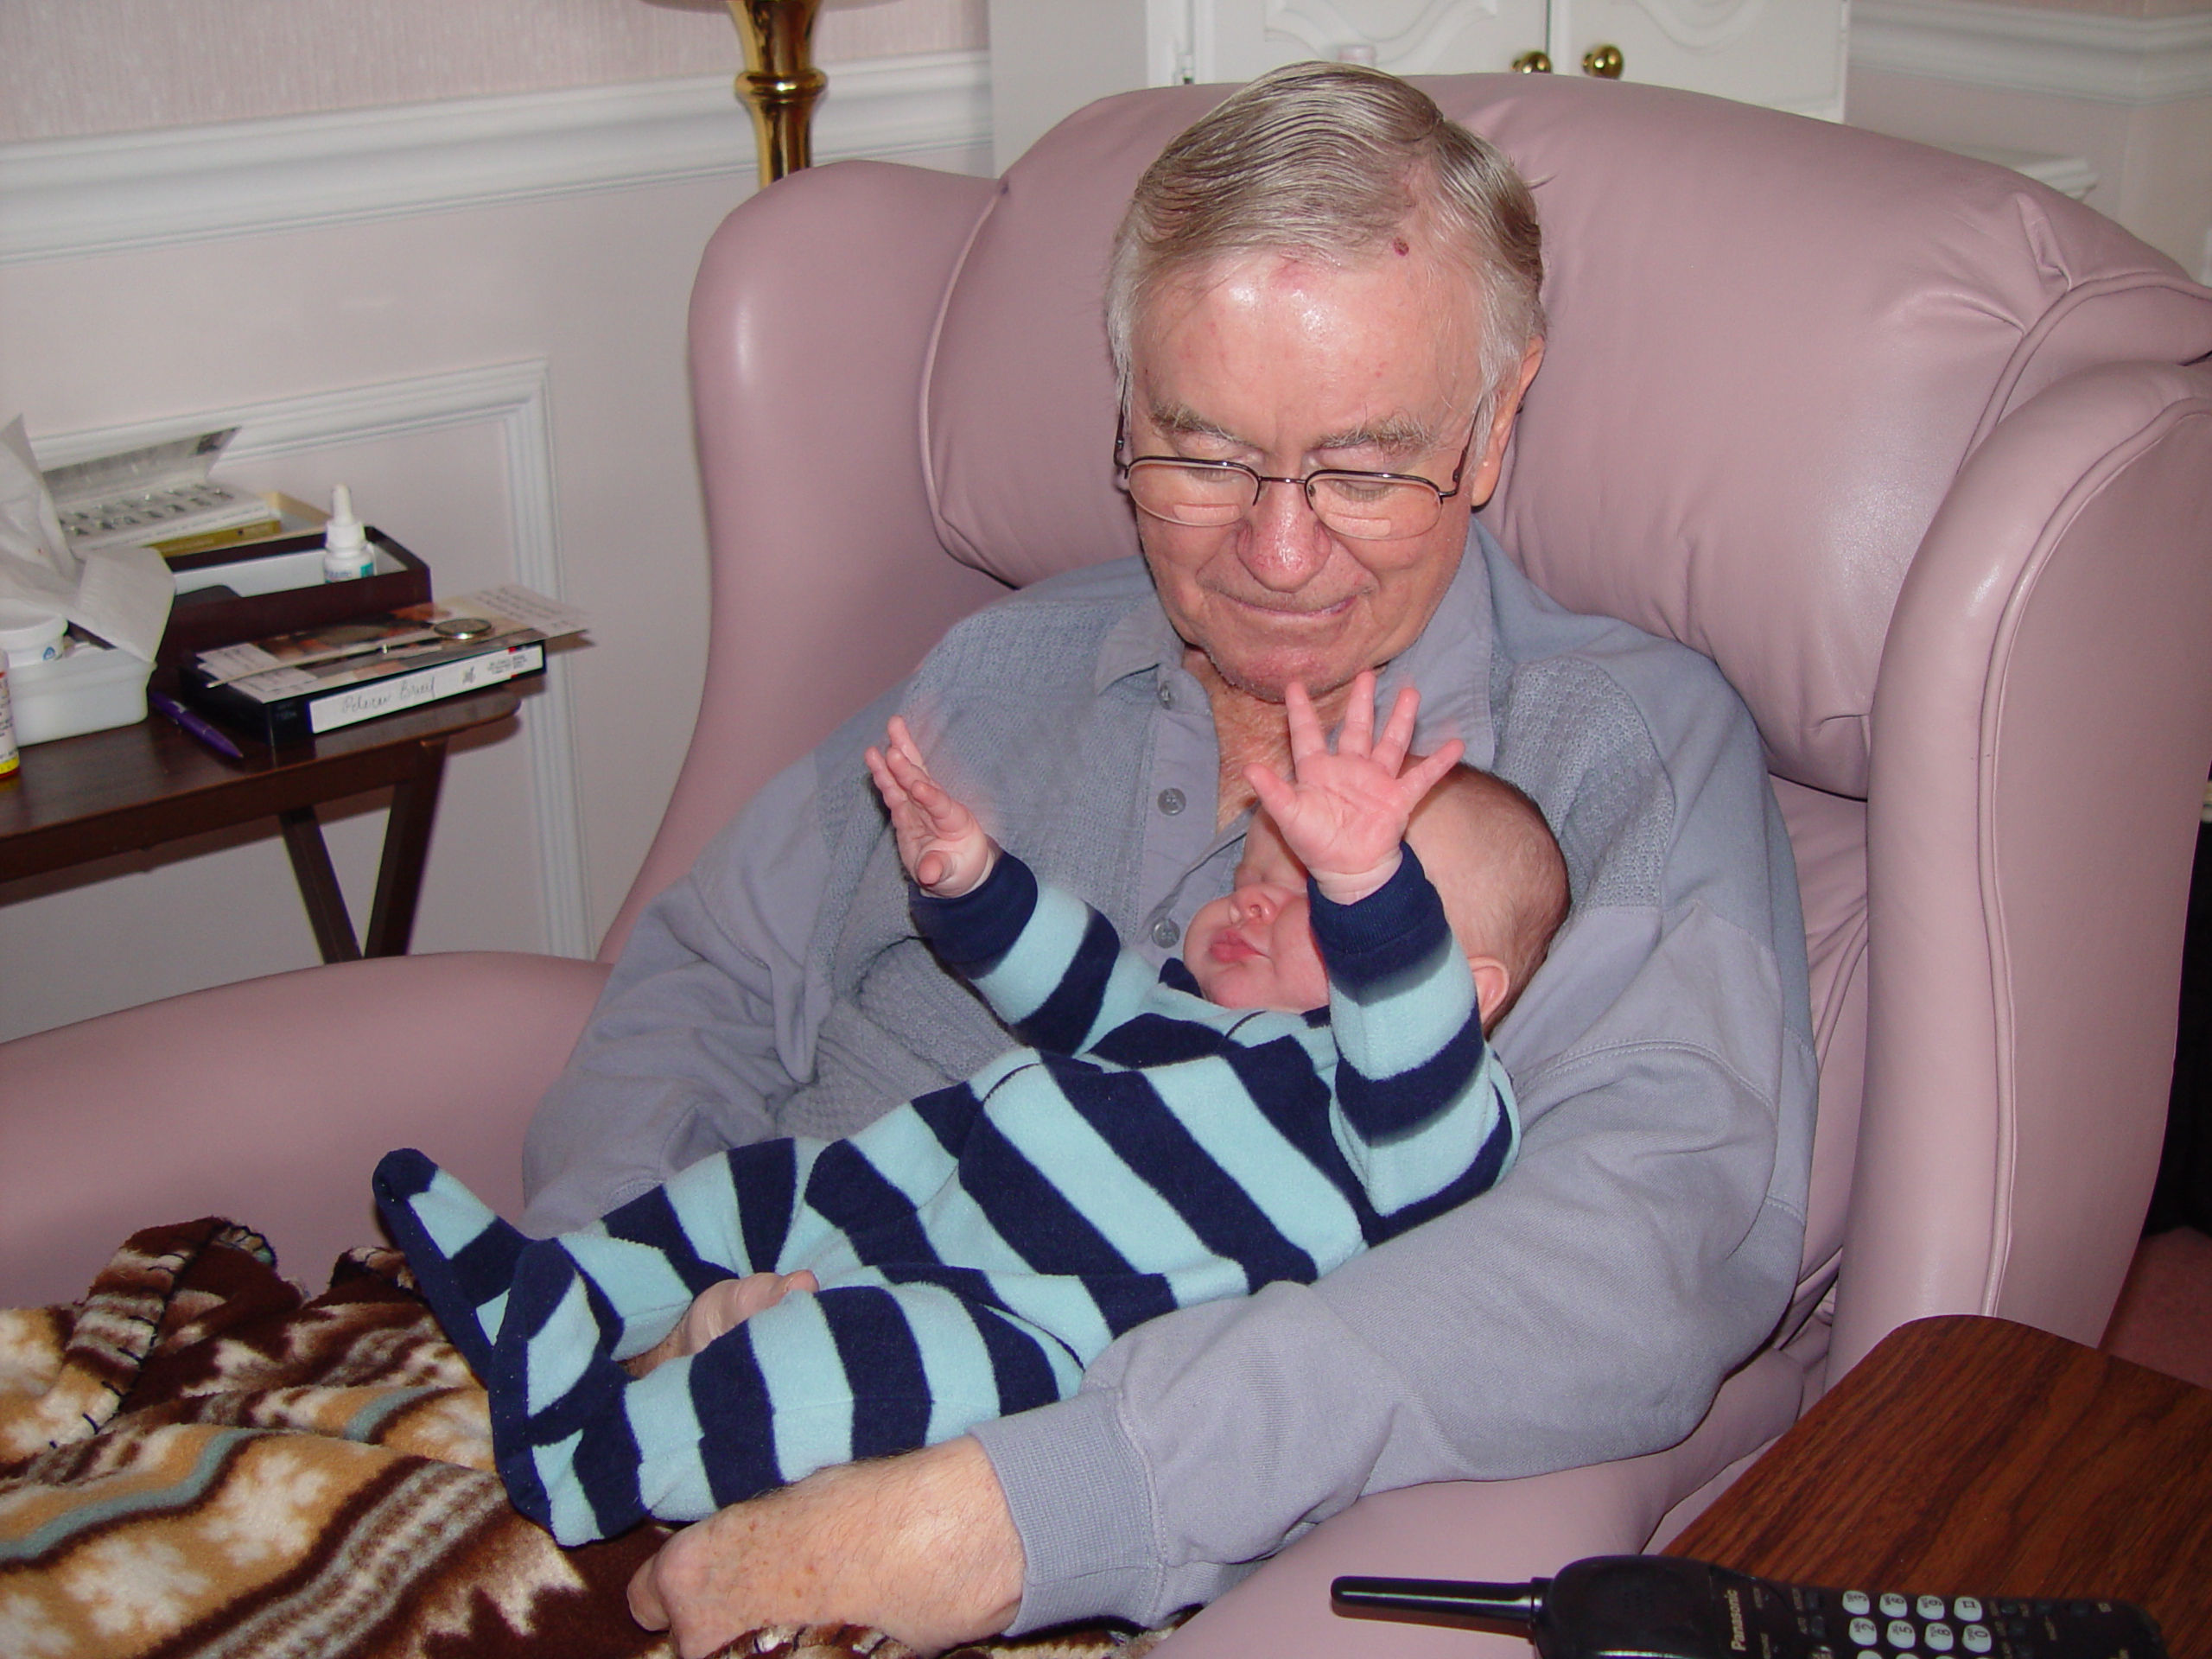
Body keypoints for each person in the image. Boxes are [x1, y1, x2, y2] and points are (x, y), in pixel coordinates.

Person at [523, 60, 1815, 1656]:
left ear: (1491, 431)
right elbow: (708, 973)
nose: (1278, 555)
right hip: (662, 1380)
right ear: (1122, 410)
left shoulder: (1617, 760)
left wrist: (1028, 1507)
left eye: (1364, 468)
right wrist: (634, 1297)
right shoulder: (1002, 665)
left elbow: (1633, 1256)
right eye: (1202, 457)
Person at [378, 675, 1566, 1548]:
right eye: (1251, 877)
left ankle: (595, 1463)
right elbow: (1079, 981)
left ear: (1452, 989)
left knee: (841, 1371)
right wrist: (976, 884)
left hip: (1027, 1324)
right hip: (910, 1184)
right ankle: (557, 1292)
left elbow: (1406, 1046)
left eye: (1315, 900)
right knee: (756, 1188)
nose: (1250, 906)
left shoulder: (1411, 1125)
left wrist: (1369, 891)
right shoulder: (1183, 1022)